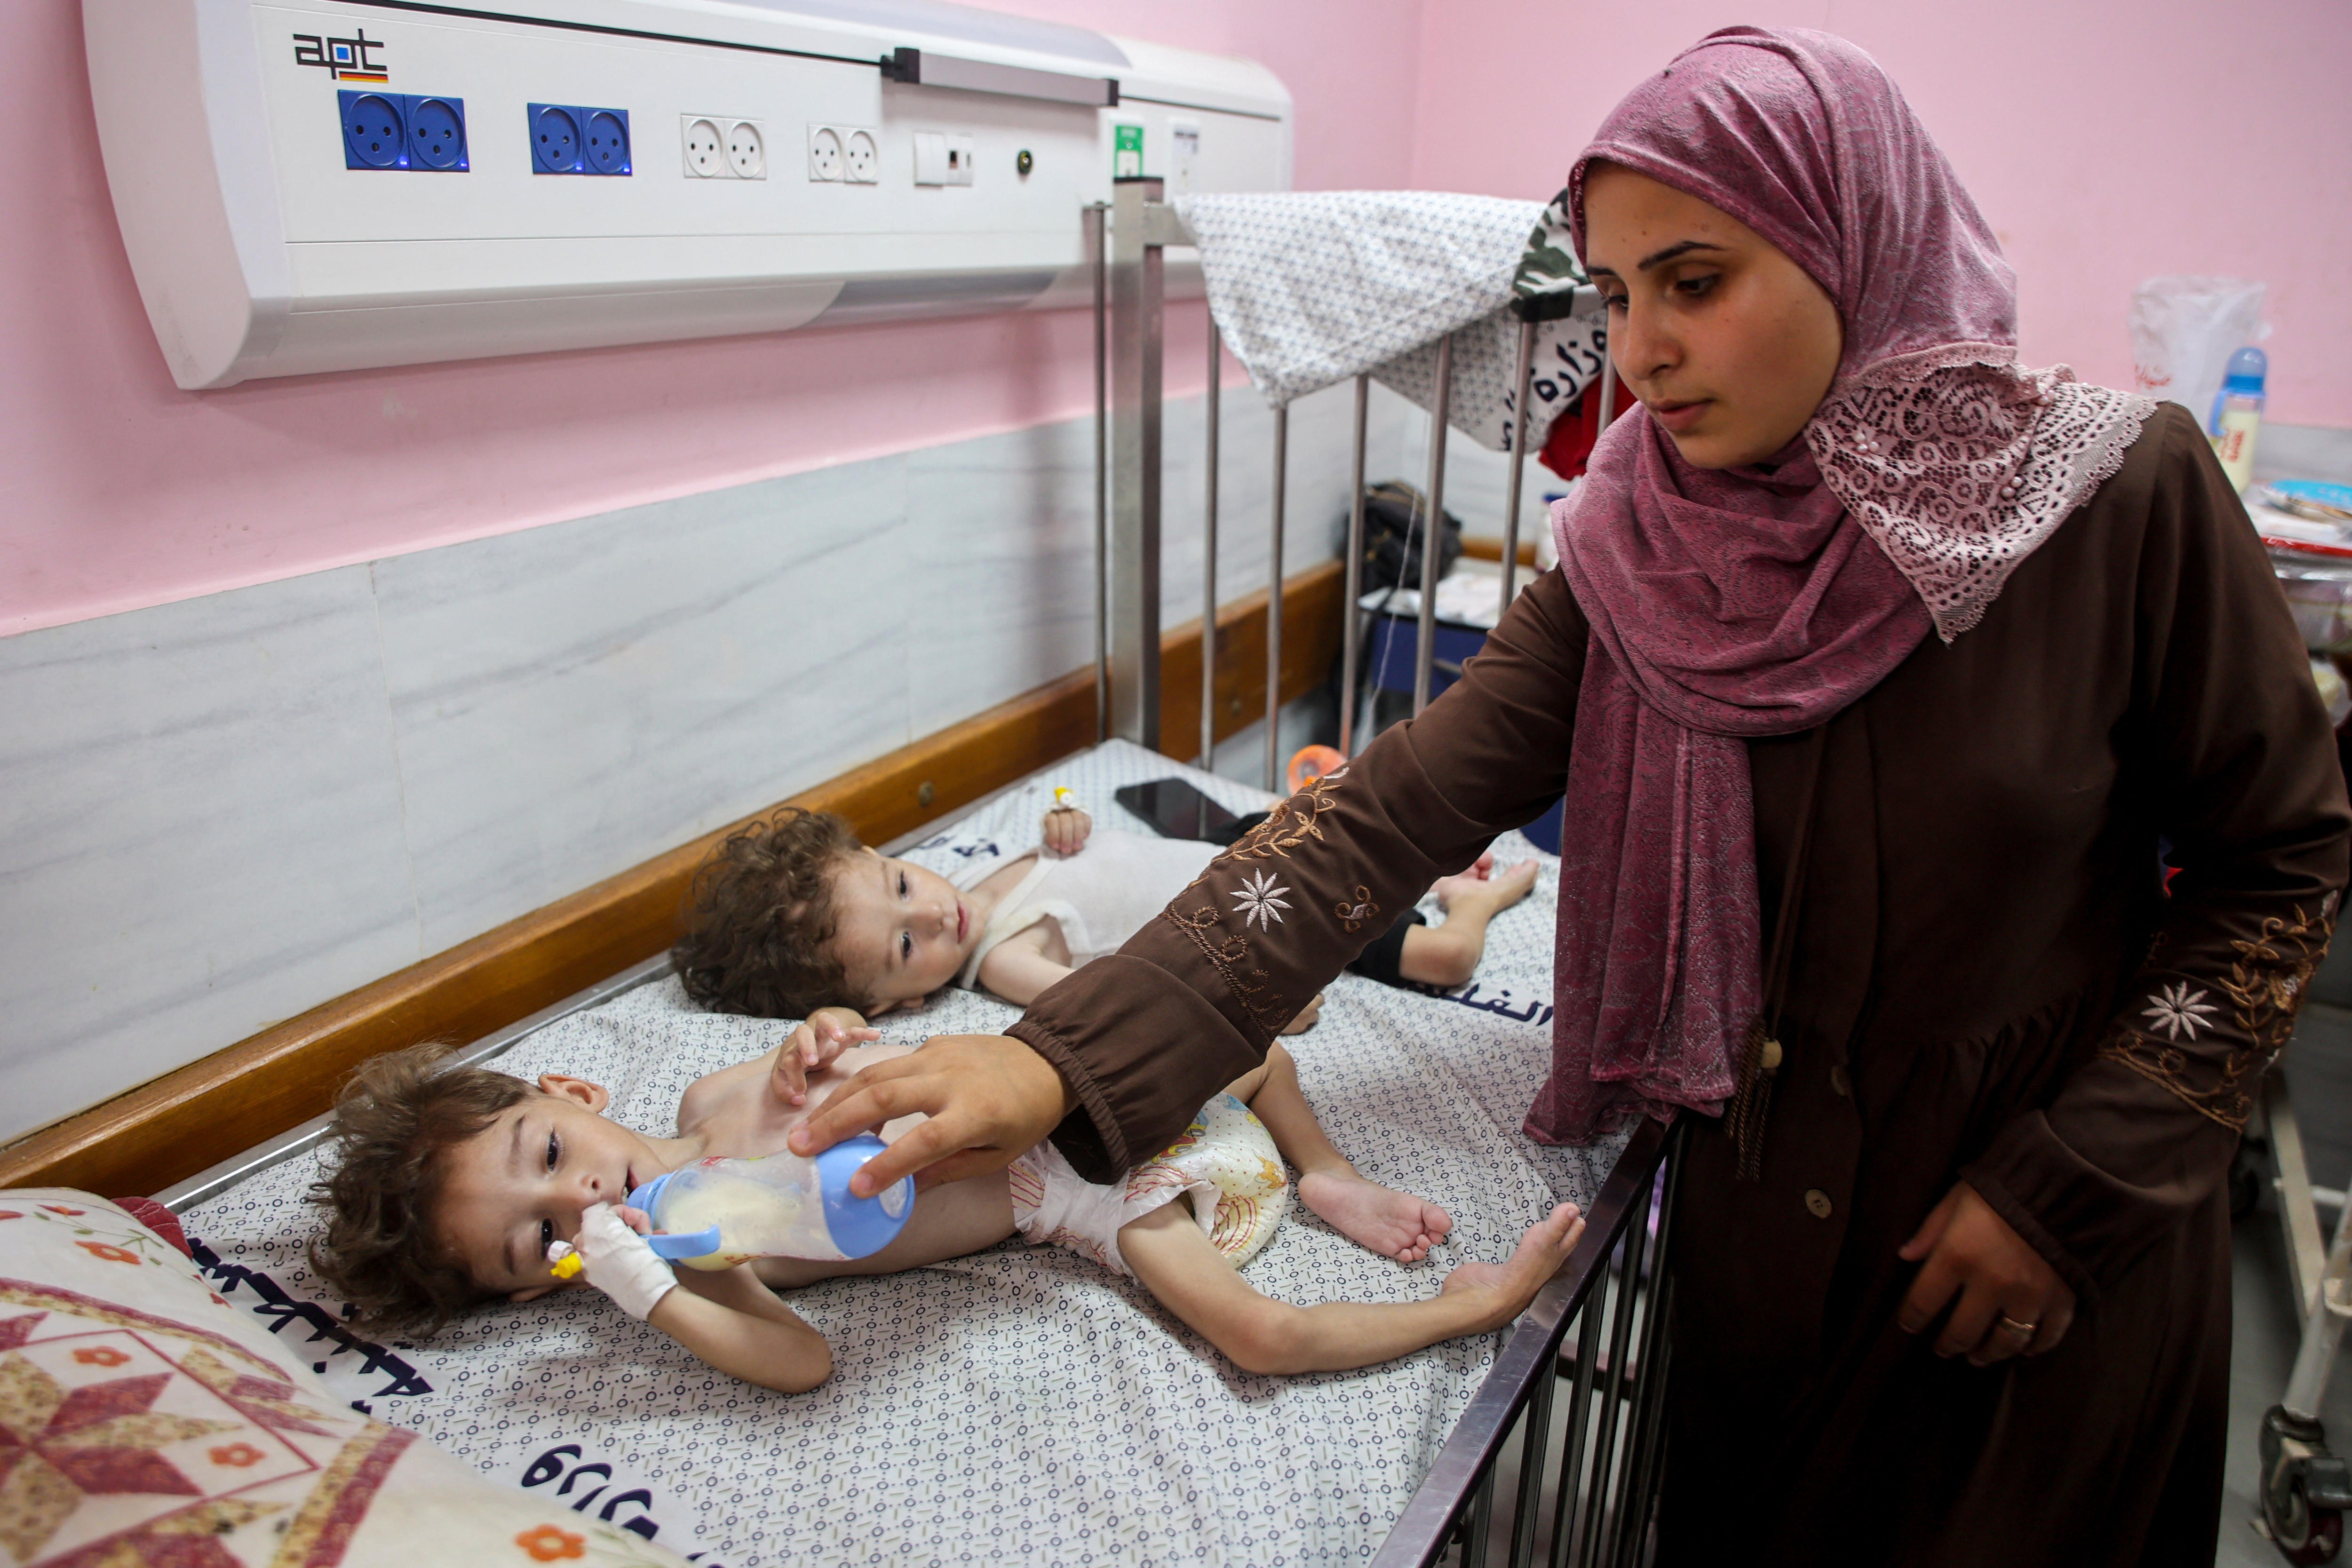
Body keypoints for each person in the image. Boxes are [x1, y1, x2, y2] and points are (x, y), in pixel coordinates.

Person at [788, 27, 2352, 1566]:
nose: (1639, 351)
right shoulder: (1640, 554)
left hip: (2029, 1250)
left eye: (1694, 280)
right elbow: (1380, 817)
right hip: (1760, 1244)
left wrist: (2072, 1184)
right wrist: (1052, 1064)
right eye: (1611, 296)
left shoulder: (2112, 499)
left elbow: (2277, 865)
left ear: (1851, 241)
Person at [305, 1022, 1584, 1394]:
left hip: (1036, 1095)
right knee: (1257, 1334)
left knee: (1249, 1045)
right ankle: (1468, 1304)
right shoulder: (699, 1248)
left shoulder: (712, 1086)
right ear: (545, 1285)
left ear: (572, 1087)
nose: (579, 1195)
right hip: (1059, 1189)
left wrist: (822, 1043)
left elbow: (838, 1062)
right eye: (542, 1236)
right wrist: (643, 1282)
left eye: (547, 1148)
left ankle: (1324, 1169)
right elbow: (799, 1360)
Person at [669, 795, 1541, 1034]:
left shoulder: (982, 877)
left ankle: (1427, 868)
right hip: (1263, 914)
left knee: (1338, 814)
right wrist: (1257, 996)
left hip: (1239, 853)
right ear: (897, 1005)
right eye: (905, 946)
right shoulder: (1002, 963)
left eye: (903, 884)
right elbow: (1128, 991)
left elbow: (1087, 865)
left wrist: (1063, 828)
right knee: (1444, 960)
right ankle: (1480, 897)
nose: (935, 914)